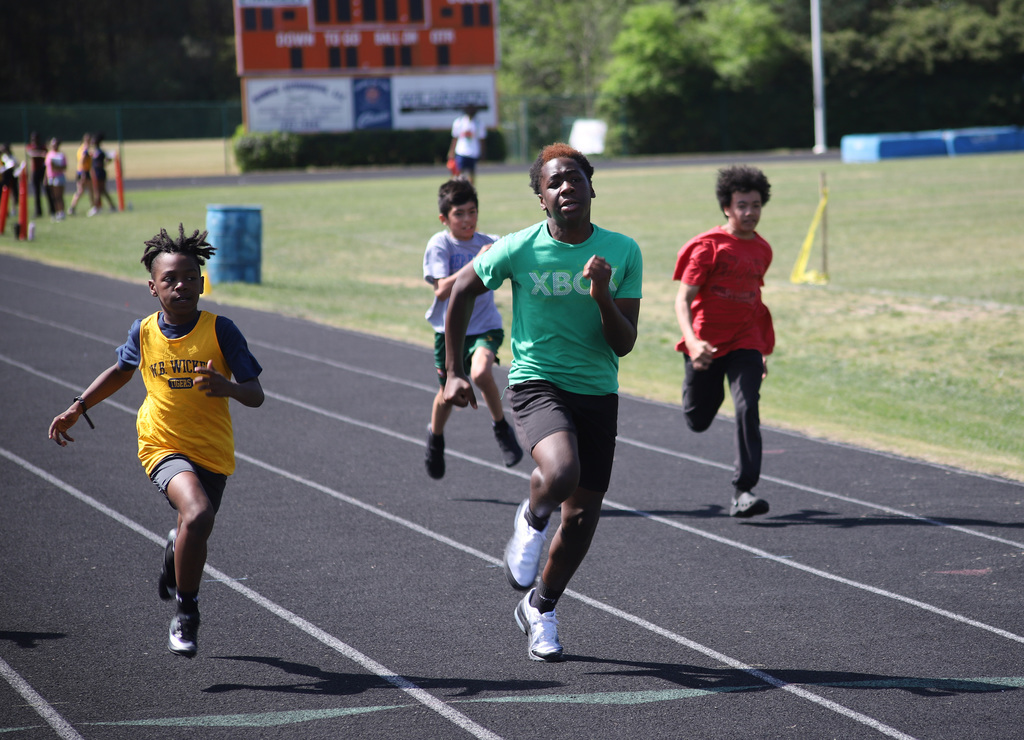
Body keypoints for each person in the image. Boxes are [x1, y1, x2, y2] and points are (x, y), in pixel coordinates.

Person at [444, 143, 643, 662]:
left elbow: (623, 343)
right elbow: (461, 290)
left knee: (580, 520)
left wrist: (601, 292)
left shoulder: (623, 251)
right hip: (537, 382)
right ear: (541, 199)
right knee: (561, 473)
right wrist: (453, 371)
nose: (565, 188)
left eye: (574, 178)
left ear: (591, 187)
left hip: (598, 391)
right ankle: (530, 521)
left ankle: (541, 607)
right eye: (553, 183)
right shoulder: (519, 248)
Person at [47, 224, 265, 657]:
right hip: (161, 443)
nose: (180, 285)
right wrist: (79, 406)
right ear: (152, 287)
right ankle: (187, 612)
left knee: (192, 529)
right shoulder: (144, 331)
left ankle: (174, 553)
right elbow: (120, 372)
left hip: (212, 451)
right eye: (170, 279)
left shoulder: (223, 331)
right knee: (199, 515)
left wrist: (229, 388)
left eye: (189, 278)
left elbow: (256, 394)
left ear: (202, 283)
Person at [673, 165, 775, 518]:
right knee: (698, 418)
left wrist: (760, 349)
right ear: (727, 208)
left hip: (745, 341)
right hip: (706, 345)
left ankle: (743, 490)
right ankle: (707, 389)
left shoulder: (763, 250)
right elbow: (682, 300)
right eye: (742, 205)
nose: (750, 212)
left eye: (756, 205)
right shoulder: (708, 248)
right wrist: (692, 341)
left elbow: (754, 300)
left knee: (748, 406)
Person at [423, 179, 522, 479]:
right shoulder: (440, 244)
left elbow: (517, 261)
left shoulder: (490, 241)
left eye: (472, 212)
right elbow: (440, 290)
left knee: (480, 373)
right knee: (447, 395)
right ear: (444, 218)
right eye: (459, 214)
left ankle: (501, 427)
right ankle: (435, 438)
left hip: (485, 326)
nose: (467, 220)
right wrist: (476, 263)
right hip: (449, 331)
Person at [447, 104, 486, 185]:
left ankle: (470, 190)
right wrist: (451, 151)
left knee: (471, 172)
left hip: (473, 151)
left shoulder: (478, 123)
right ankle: (457, 188)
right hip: (461, 151)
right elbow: (455, 138)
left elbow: (482, 139)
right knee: (459, 172)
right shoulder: (459, 122)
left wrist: (483, 153)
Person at [89, 133, 117, 215]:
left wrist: (102, 164)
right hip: (98, 172)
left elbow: (107, 159)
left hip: (99, 173)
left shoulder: (100, 152)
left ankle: (96, 208)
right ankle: (112, 206)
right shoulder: (96, 151)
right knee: (103, 191)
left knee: (98, 191)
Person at [26, 132, 52, 218]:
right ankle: (38, 211)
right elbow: (31, 154)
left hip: (43, 170)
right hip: (35, 171)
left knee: (47, 191)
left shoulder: (43, 147)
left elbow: (47, 156)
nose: (34, 140)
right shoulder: (30, 146)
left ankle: (52, 210)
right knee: (36, 193)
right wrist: (41, 154)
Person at [68, 133, 94, 216]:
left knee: (82, 191)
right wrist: (83, 173)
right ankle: (93, 207)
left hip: (80, 171)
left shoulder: (80, 148)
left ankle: (72, 208)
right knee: (86, 191)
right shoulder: (85, 149)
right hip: (84, 171)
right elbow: (82, 160)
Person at [44, 138, 67, 221]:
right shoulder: (49, 154)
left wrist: (57, 166)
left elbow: (64, 167)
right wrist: (45, 178)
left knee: (59, 196)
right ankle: (57, 212)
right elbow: (47, 168)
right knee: (54, 197)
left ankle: (62, 212)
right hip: (51, 177)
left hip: (59, 177)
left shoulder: (61, 155)